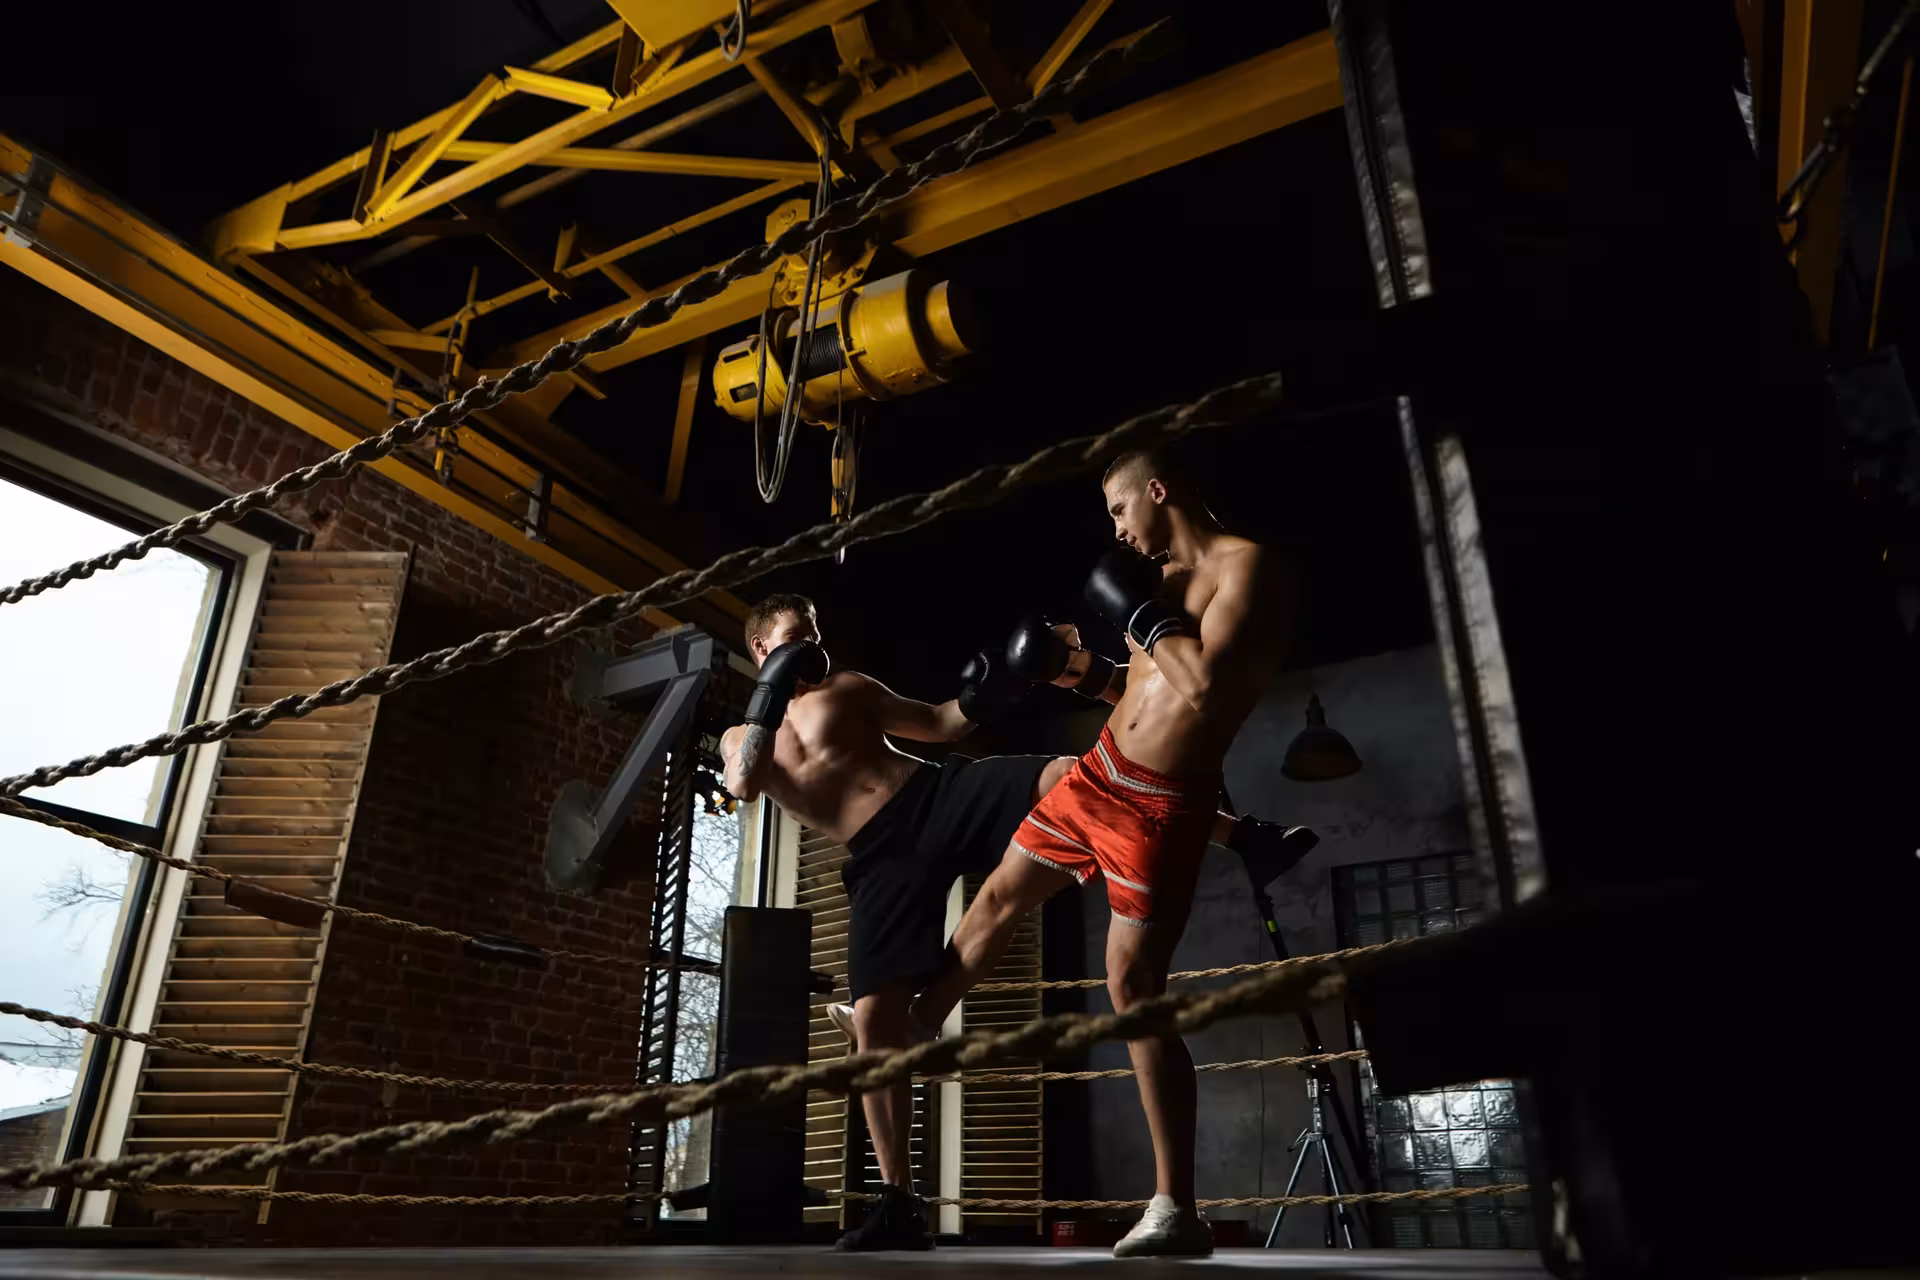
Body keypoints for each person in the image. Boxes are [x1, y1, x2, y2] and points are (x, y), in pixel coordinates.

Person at [719, 591, 1314, 1252]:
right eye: (797, 639)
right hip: (879, 858)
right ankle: (898, 1204)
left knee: (1074, 777)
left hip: (938, 795)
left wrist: (993, 686)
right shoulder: (741, 738)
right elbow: (743, 785)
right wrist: (771, 693)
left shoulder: (849, 687)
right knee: (875, 1027)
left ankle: (1244, 837)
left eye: (815, 634)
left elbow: (942, 723)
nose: (813, 649)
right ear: (763, 649)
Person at [906, 448, 1305, 1259]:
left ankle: (1175, 1207)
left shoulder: (1249, 569)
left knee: (1133, 988)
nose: (1117, 531)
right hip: (1099, 772)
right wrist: (1076, 670)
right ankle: (909, 1027)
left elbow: (1205, 691)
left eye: (1121, 511)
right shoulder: (1158, 584)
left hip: (1162, 802)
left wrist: (1138, 613)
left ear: (1158, 491)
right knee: (998, 895)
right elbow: (1144, 686)